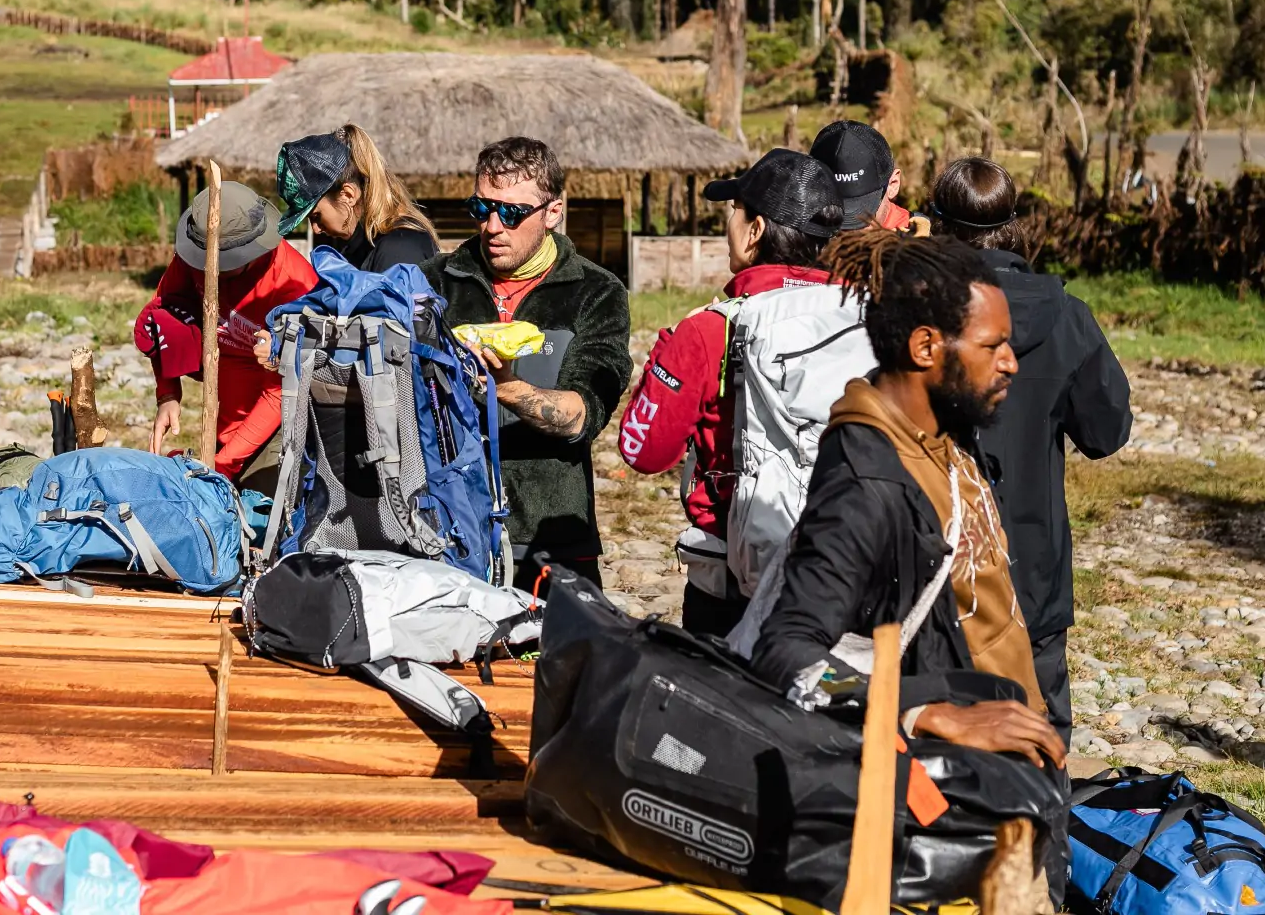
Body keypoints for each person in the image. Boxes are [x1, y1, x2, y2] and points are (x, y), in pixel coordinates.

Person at [750, 229, 1065, 772]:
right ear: (925, 348)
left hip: (1007, 758)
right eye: (993, 346)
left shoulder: (946, 426)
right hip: (938, 784)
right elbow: (786, 650)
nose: (1011, 362)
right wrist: (925, 713)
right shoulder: (865, 482)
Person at [928, 157, 1132, 744]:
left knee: (935, 754)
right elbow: (1107, 431)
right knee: (1044, 746)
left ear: (940, 224)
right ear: (1013, 224)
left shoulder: (918, 314)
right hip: (1031, 572)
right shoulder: (1066, 317)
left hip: (935, 565)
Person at [617, 149, 849, 636]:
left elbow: (642, 450)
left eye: (733, 212)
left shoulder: (708, 330)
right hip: (847, 564)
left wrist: (665, 360)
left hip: (732, 579)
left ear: (755, 231)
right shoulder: (870, 317)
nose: (728, 225)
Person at [420, 137, 632, 591]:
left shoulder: (595, 292)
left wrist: (507, 388)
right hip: (445, 528)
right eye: (482, 208)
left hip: (549, 535)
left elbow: (583, 415)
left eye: (513, 213)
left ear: (553, 212)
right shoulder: (433, 281)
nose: (494, 226)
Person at [138, 180, 317, 492]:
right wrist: (167, 394)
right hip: (223, 402)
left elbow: (282, 388)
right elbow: (165, 314)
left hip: (278, 417)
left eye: (222, 267)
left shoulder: (294, 286)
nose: (210, 273)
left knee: (258, 501)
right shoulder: (193, 260)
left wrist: (223, 464)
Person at [275, 125, 440, 271]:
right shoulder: (363, 246)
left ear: (348, 195)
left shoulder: (398, 249)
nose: (316, 229)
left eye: (316, 216)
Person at [810, 119, 920, 232]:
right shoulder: (804, 237)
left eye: (861, 212)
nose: (846, 231)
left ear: (893, 184)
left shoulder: (919, 240)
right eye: (829, 213)